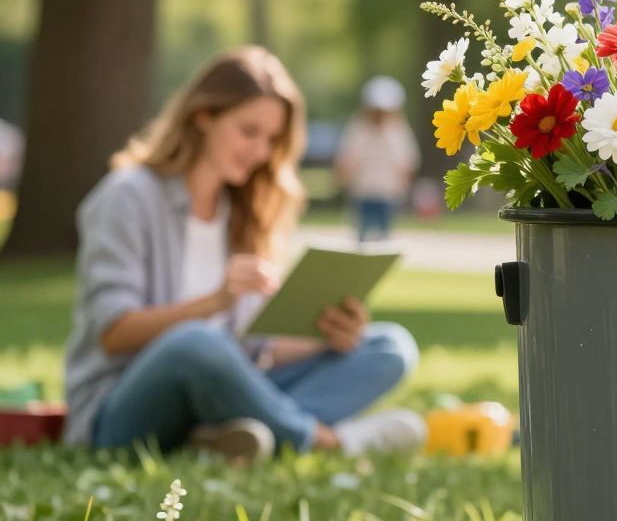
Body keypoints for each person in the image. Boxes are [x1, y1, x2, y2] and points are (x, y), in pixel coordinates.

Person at [62, 47, 424, 461]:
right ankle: (325, 441)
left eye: (272, 139)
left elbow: (249, 350)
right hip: (120, 414)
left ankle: (225, 438)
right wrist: (216, 301)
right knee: (196, 343)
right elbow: (113, 333)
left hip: (224, 388)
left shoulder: (244, 210)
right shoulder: (127, 196)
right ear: (203, 117)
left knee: (389, 347)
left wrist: (327, 336)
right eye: (249, 131)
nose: (260, 152)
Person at [334, 75, 418, 243]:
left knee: (384, 237)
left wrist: (404, 186)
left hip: (388, 193)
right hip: (363, 191)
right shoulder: (359, 128)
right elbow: (348, 157)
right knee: (362, 235)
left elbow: (407, 161)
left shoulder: (398, 130)